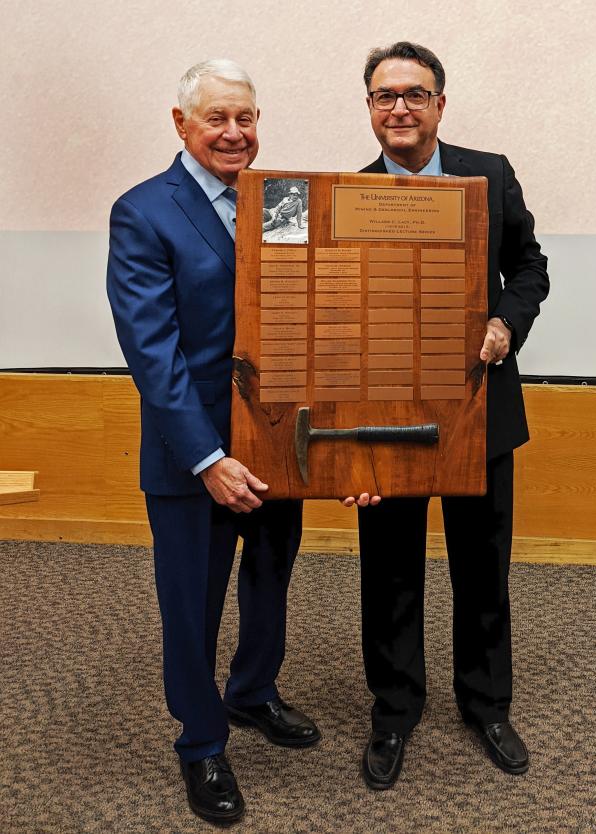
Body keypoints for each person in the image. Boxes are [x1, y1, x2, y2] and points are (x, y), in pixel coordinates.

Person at [106, 59, 320, 824]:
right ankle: (200, 742)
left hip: (275, 442)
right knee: (192, 602)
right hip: (191, 455)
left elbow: (312, 316)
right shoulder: (143, 211)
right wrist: (207, 458)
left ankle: (254, 693)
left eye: (248, 118)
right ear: (181, 124)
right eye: (218, 119)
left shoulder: (286, 202)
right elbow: (151, 353)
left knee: (269, 580)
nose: (236, 133)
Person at [353, 41, 550, 790]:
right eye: (383, 96)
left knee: (481, 567)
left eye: (413, 93)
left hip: (479, 412)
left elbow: (531, 265)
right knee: (391, 570)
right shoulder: (347, 191)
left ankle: (487, 704)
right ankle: (395, 710)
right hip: (387, 419)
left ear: (440, 103)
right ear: (370, 109)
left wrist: (506, 321)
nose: (398, 108)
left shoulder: (489, 174)